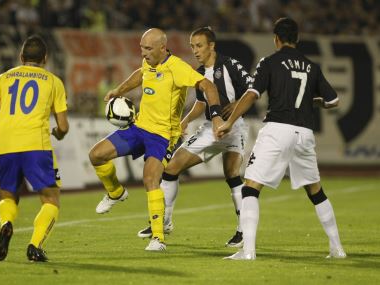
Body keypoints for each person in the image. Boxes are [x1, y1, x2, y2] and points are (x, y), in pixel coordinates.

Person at [217, 17, 346, 260]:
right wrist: (314, 101)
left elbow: (252, 94)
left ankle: (248, 252)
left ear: (276, 39)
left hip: (277, 130)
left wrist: (229, 121)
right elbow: (333, 101)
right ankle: (337, 248)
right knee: (316, 192)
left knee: (250, 188)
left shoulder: (270, 62)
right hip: (304, 134)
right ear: (297, 39)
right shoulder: (312, 66)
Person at [88, 28, 223, 251]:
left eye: (148, 49)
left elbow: (208, 86)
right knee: (96, 155)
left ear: (163, 47)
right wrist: (118, 91)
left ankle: (158, 237)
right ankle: (115, 192)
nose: (144, 53)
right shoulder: (148, 63)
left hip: (162, 136)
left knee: (150, 178)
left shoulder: (177, 67)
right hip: (139, 127)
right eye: (142, 48)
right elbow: (140, 75)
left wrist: (216, 115)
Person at [137, 27, 252, 248]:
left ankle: (243, 230)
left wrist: (234, 107)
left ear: (211, 46)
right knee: (171, 168)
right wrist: (186, 121)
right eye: (192, 46)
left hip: (233, 127)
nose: (195, 50)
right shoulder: (199, 72)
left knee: (232, 175)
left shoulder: (230, 64)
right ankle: (164, 221)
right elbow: (201, 103)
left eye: (199, 46)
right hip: (210, 128)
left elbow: (252, 90)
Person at [0, 35, 69, 262]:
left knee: (8, 196)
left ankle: (6, 224)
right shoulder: (53, 81)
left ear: (21, 57)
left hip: (5, 144)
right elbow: (63, 125)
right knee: (51, 199)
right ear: (45, 58)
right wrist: (59, 133)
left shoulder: (4, 78)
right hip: (36, 145)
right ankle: (35, 245)